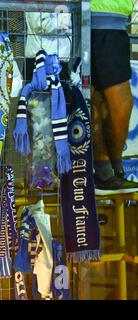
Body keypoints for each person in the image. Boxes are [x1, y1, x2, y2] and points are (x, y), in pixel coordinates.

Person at [91, 0, 138, 195]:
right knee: (109, 104)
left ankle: (109, 170)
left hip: (115, 25)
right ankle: (106, 171)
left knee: (105, 105)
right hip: (91, 21)